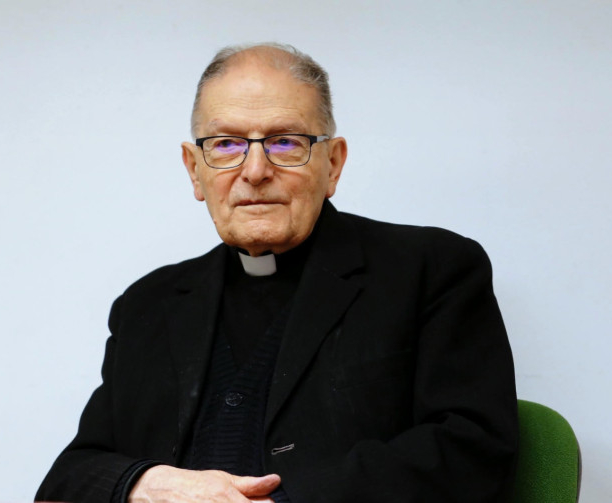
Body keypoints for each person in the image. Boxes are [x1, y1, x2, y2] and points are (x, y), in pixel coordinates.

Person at [36, 43, 518, 503]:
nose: (255, 170)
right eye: (226, 144)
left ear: (333, 164)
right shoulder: (147, 303)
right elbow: (72, 473)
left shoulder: (431, 270)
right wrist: (147, 483)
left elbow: (473, 450)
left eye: (285, 142)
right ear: (194, 169)